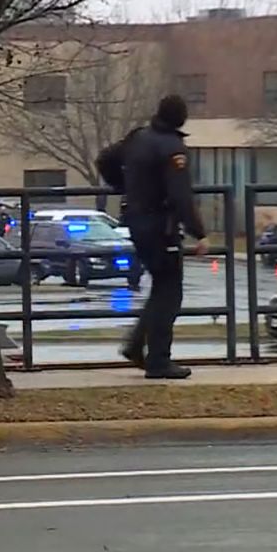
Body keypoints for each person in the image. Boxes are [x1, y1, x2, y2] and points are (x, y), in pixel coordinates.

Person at [96, 95, 207, 379]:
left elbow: (104, 159)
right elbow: (180, 195)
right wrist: (199, 232)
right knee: (170, 291)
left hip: (136, 220)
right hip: (160, 225)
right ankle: (159, 360)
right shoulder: (173, 148)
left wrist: (124, 186)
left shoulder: (138, 138)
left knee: (161, 287)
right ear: (181, 118)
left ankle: (136, 345)